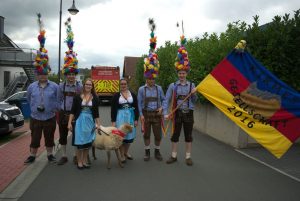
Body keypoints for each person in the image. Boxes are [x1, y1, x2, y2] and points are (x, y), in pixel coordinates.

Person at [24, 13, 59, 164]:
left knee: (50, 137)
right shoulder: (32, 86)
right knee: (35, 136)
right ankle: (32, 155)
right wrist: (33, 109)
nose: (42, 76)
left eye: (45, 74)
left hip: (50, 117)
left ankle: (50, 155)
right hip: (36, 117)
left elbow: (58, 100)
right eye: (40, 74)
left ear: (47, 74)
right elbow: (28, 98)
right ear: (38, 75)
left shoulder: (55, 86)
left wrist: (53, 110)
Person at [163, 34, 197, 166]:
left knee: (188, 136)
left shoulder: (191, 85)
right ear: (178, 74)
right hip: (176, 113)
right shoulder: (173, 85)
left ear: (186, 74)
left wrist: (194, 93)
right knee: (175, 135)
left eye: (184, 73)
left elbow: (195, 100)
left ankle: (188, 157)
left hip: (189, 113)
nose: (182, 75)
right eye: (180, 73)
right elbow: (166, 99)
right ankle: (174, 156)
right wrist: (166, 113)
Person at [138, 18, 165, 161]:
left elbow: (165, 100)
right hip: (146, 114)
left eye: (153, 78)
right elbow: (139, 102)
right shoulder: (142, 89)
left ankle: (157, 151)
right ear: (146, 78)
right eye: (149, 78)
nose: (151, 80)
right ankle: (147, 152)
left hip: (157, 114)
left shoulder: (159, 88)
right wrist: (141, 115)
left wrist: (162, 108)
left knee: (158, 135)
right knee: (146, 135)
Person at [57, 17, 82, 165]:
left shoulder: (79, 86)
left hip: (76, 115)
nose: (71, 76)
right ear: (66, 75)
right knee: (62, 135)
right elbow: (58, 99)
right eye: (69, 74)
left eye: (73, 74)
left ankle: (74, 155)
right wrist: (61, 109)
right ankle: (64, 155)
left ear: (75, 75)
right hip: (64, 114)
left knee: (76, 135)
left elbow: (82, 98)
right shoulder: (61, 86)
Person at [68, 78, 100, 169]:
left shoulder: (95, 98)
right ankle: (79, 161)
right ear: (84, 85)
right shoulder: (78, 97)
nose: (88, 86)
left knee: (87, 143)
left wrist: (99, 125)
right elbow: (72, 111)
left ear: (92, 86)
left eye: (90, 85)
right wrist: (69, 123)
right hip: (79, 121)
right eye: (87, 84)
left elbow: (96, 113)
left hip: (90, 121)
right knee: (80, 143)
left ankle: (85, 161)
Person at [111, 78, 139, 162]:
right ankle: (122, 155)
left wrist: (136, 119)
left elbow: (136, 107)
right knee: (121, 136)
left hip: (130, 116)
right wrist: (113, 121)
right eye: (122, 84)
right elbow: (113, 109)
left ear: (127, 85)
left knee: (129, 137)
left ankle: (126, 152)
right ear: (120, 85)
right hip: (120, 117)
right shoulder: (116, 95)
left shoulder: (133, 95)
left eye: (125, 84)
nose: (123, 85)